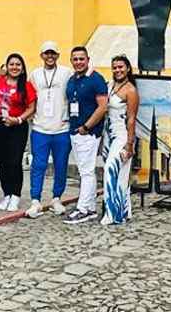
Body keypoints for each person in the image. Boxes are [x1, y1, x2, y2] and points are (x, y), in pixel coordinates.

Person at [63, 46, 108, 224]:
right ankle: (89, 207)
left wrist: (87, 126)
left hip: (88, 132)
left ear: (88, 59)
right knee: (85, 171)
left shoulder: (96, 79)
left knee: (87, 172)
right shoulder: (73, 79)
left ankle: (83, 209)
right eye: (75, 59)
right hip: (75, 130)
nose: (78, 62)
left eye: (82, 59)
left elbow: (103, 106)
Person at [27, 41, 71, 218]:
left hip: (62, 128)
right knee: (38, 165)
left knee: (61, 165)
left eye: (53, 53)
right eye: (46, 53)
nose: (50, 56)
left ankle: (56, 198)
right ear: (41, 56)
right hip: (40, 128)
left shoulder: (66, 73)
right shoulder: (35, 74)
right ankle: (35, 200)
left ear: (58, 55)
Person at [0, 53, 37, 212]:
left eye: (18, 65)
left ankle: (15, 195)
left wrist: (18, 119)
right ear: (6, 66)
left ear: (22, 68)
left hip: (17, 126)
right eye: (11, 64)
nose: (14, 67)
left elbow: (32, 107)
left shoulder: (27, 85)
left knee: (14, 161)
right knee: (2, 161)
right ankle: (6, 193)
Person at [101, 54, 139, 226]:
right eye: (115, 67)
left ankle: (111, 213)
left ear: (128, 68)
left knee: (110, 169)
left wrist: (129, 145)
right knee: (122, 175)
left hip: (122, 136)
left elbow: (131, 119)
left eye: (121, 67)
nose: (117, 70)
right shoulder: (110, 86)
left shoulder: (131, 90)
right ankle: (124, 211)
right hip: (108, 135)